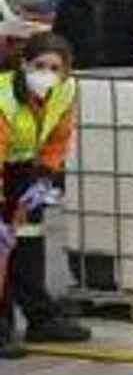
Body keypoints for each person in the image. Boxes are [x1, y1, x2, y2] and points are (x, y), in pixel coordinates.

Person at [0, 32, 92, 356]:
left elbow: (57, 137)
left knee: (29, 241)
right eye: (39, 65)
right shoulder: (4, 97)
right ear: (24, 65)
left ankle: (39, 318)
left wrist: (44, 176)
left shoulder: (65, 91)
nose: (46, 74)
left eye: (55, 68)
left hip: (27, 168)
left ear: (66, 72)